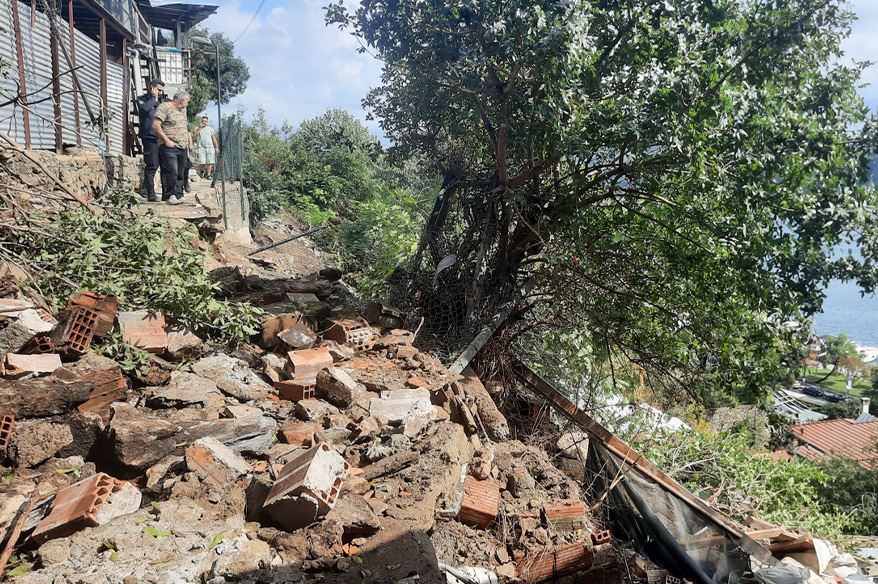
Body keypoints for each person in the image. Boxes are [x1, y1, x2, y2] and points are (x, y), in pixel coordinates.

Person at [152, 90, 191, 204]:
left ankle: (179, 194)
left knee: (180, 171)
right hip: (169, 146)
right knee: (171, 171)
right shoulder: (164, 107)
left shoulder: (181, 112)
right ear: (181, 100)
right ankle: (170, 195)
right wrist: (166, 140)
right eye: (187, 101)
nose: (187, 104)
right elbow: (155, 125)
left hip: (182, 146)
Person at [136, 78, 165, 202]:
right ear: (151, 87)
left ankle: (144, 188)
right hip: (149, 136)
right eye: (158, 90)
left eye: (161, 91)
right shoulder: (143, 99)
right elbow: (145, 109)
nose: (160, 93)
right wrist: (153, 98)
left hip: (161, 136)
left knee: (159, 164)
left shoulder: (162, 102)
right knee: (152, 164)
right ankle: (150, 193)